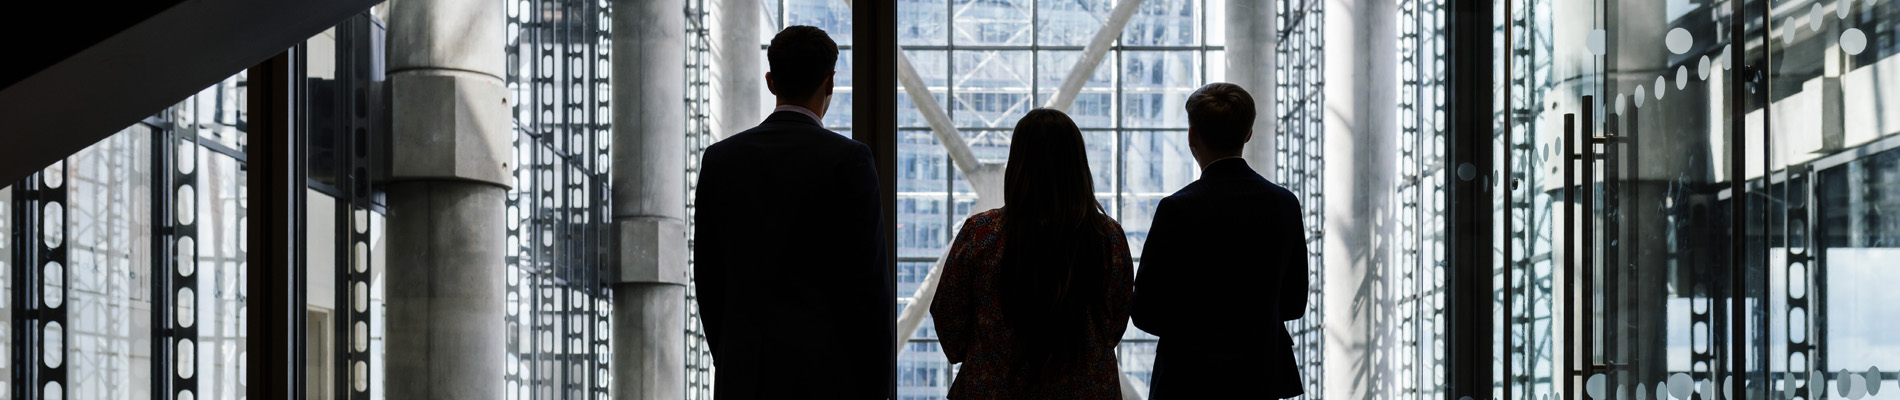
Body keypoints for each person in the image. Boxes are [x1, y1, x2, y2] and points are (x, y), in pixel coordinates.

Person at [692, 25, 893, 398]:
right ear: (830, 82)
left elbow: (707, 277)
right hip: (828, 378)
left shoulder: (721, 160)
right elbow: (869, 288)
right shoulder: (849, 161)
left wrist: (733, 357)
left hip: (745, 376)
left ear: (770, 81)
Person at [931, 109, 1135, 399]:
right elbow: (1115, 322)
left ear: (1018, 165)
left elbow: (949, 321)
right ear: (1077, 165)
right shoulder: (1108, 238)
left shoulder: (981, 233)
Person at [1131, 83, 1310, 399]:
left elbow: (1146, 311)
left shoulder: (1177, 209)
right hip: (1259, 379)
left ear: (1192, 136)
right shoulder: (1284, 204)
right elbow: (1294, 303)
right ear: (1248, 133)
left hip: (1187, 380)